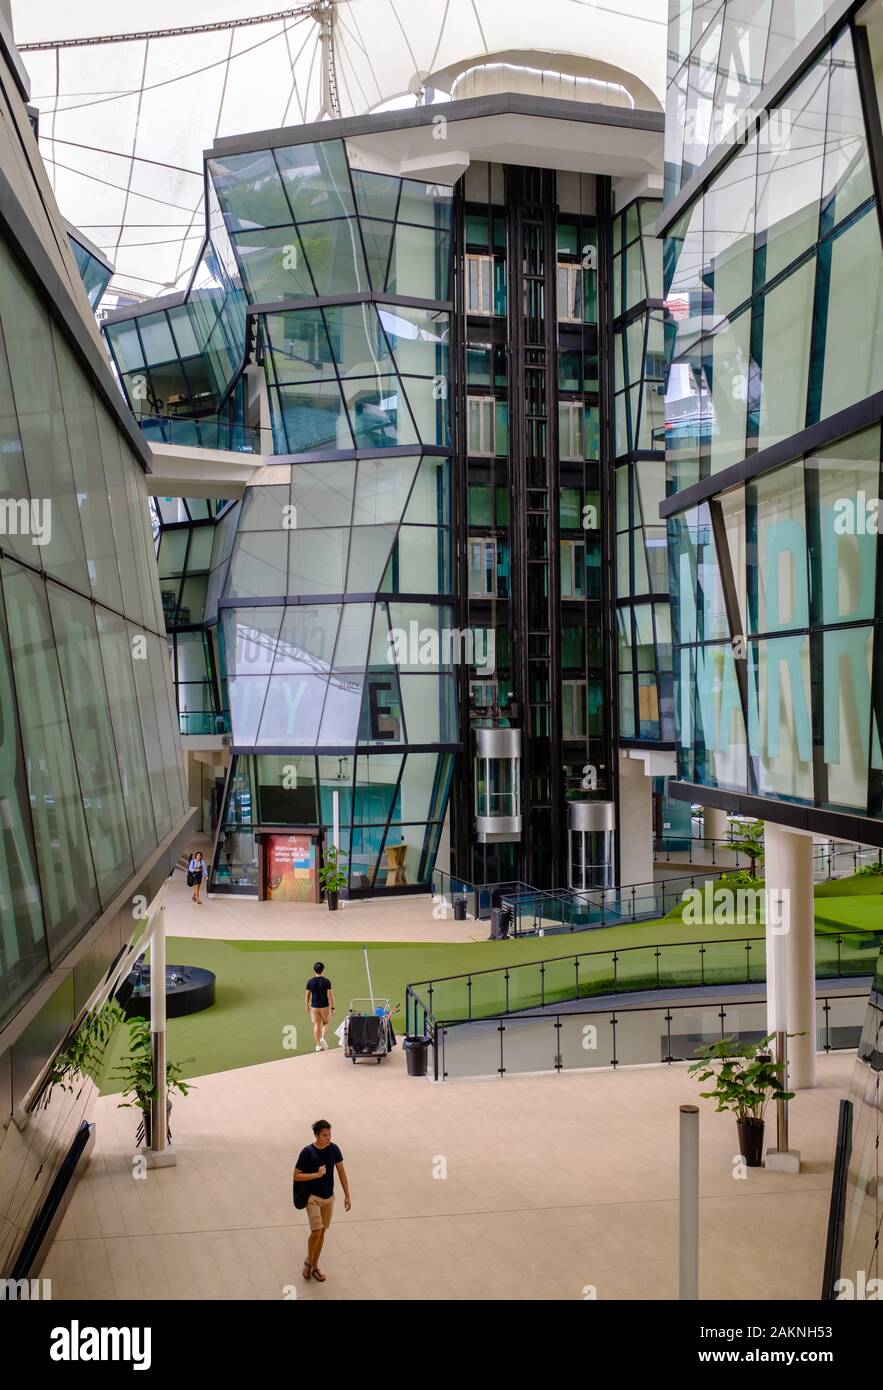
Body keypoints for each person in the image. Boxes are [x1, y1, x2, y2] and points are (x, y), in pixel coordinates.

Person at [293, 1119, 351, 1283]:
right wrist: (316, 1175)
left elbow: (341, 1172)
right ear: (317, 1135)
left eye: (329, 1134)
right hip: (312, 1198)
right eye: (325, 1135)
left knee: (322, 1232)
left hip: (328, 1198)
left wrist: (347, 1195)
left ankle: (314, 1264)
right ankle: (309, 1262)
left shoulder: (334, 1149)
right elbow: (296, 1175)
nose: (328, 1138)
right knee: (317, 1231)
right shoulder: (307, 1153)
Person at [305, 962, 334, 1051]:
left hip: (314, 1006)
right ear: (323, 970)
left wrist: (307, 1005)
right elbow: (330, 996)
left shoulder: (310, 982)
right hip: (324, 1006)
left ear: (314, 970)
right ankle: (323, 1038)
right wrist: (332, 1007)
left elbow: (307, 995)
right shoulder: (326, 981)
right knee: (326, 1023)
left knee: (316, 1025)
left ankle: (318, 1045)